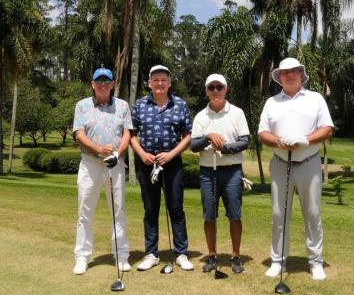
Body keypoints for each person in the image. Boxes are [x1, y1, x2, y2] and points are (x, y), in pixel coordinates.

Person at [258, 57, 334, 280]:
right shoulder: (272, 102)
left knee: (312, 214)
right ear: (279, 77)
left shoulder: (315, 98)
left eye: (294, 71)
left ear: (301, 74)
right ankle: (278, 261)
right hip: (281, 163)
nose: (289, 75)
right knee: (278, 214)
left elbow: (327, 128)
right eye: (285, 72)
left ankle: (315, 262)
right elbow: (262, 133)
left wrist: (305, 139)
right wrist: (279, 141)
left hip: (309, 163)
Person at [131, 65, 194, 271]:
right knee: (150, 209)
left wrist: (171, 154)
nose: (159, 83)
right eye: (155, 79)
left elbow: (188, 136)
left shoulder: (180, 105)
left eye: (163, 80)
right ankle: (151, 254)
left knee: (176, 208)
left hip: (172, 163)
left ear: (169, 83)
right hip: (147, 163)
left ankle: (181, 253)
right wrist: (141, 154)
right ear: (149, 83)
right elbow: (130, 134)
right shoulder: (140, 105)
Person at [72, 68, 132, 275]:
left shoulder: (122, 106)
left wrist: (117, 154)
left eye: (107, 81)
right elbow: (79, 135)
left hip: (115, 164)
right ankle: (82, 256)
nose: (103, 84)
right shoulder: (82, 106)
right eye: (99, 81)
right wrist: (98, 149)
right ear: (92, 84)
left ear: (113, 84)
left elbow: (127, 134)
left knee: (118, 210)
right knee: (85, 211)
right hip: (90, 164)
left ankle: (121, 255)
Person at [191, 74, 250, 274]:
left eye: (219, 87)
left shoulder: (237, 113)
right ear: (206, 91)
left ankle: (235, 255)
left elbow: (244, 141)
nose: (215, 91)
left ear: (226, 90)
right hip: (208, 172)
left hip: (232, 171)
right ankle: (212, 255)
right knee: (209, 215)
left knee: (234, 214)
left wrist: (224, 148)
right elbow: (193, 145)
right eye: (211, 87)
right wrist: (209, 137)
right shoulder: (201, 116)